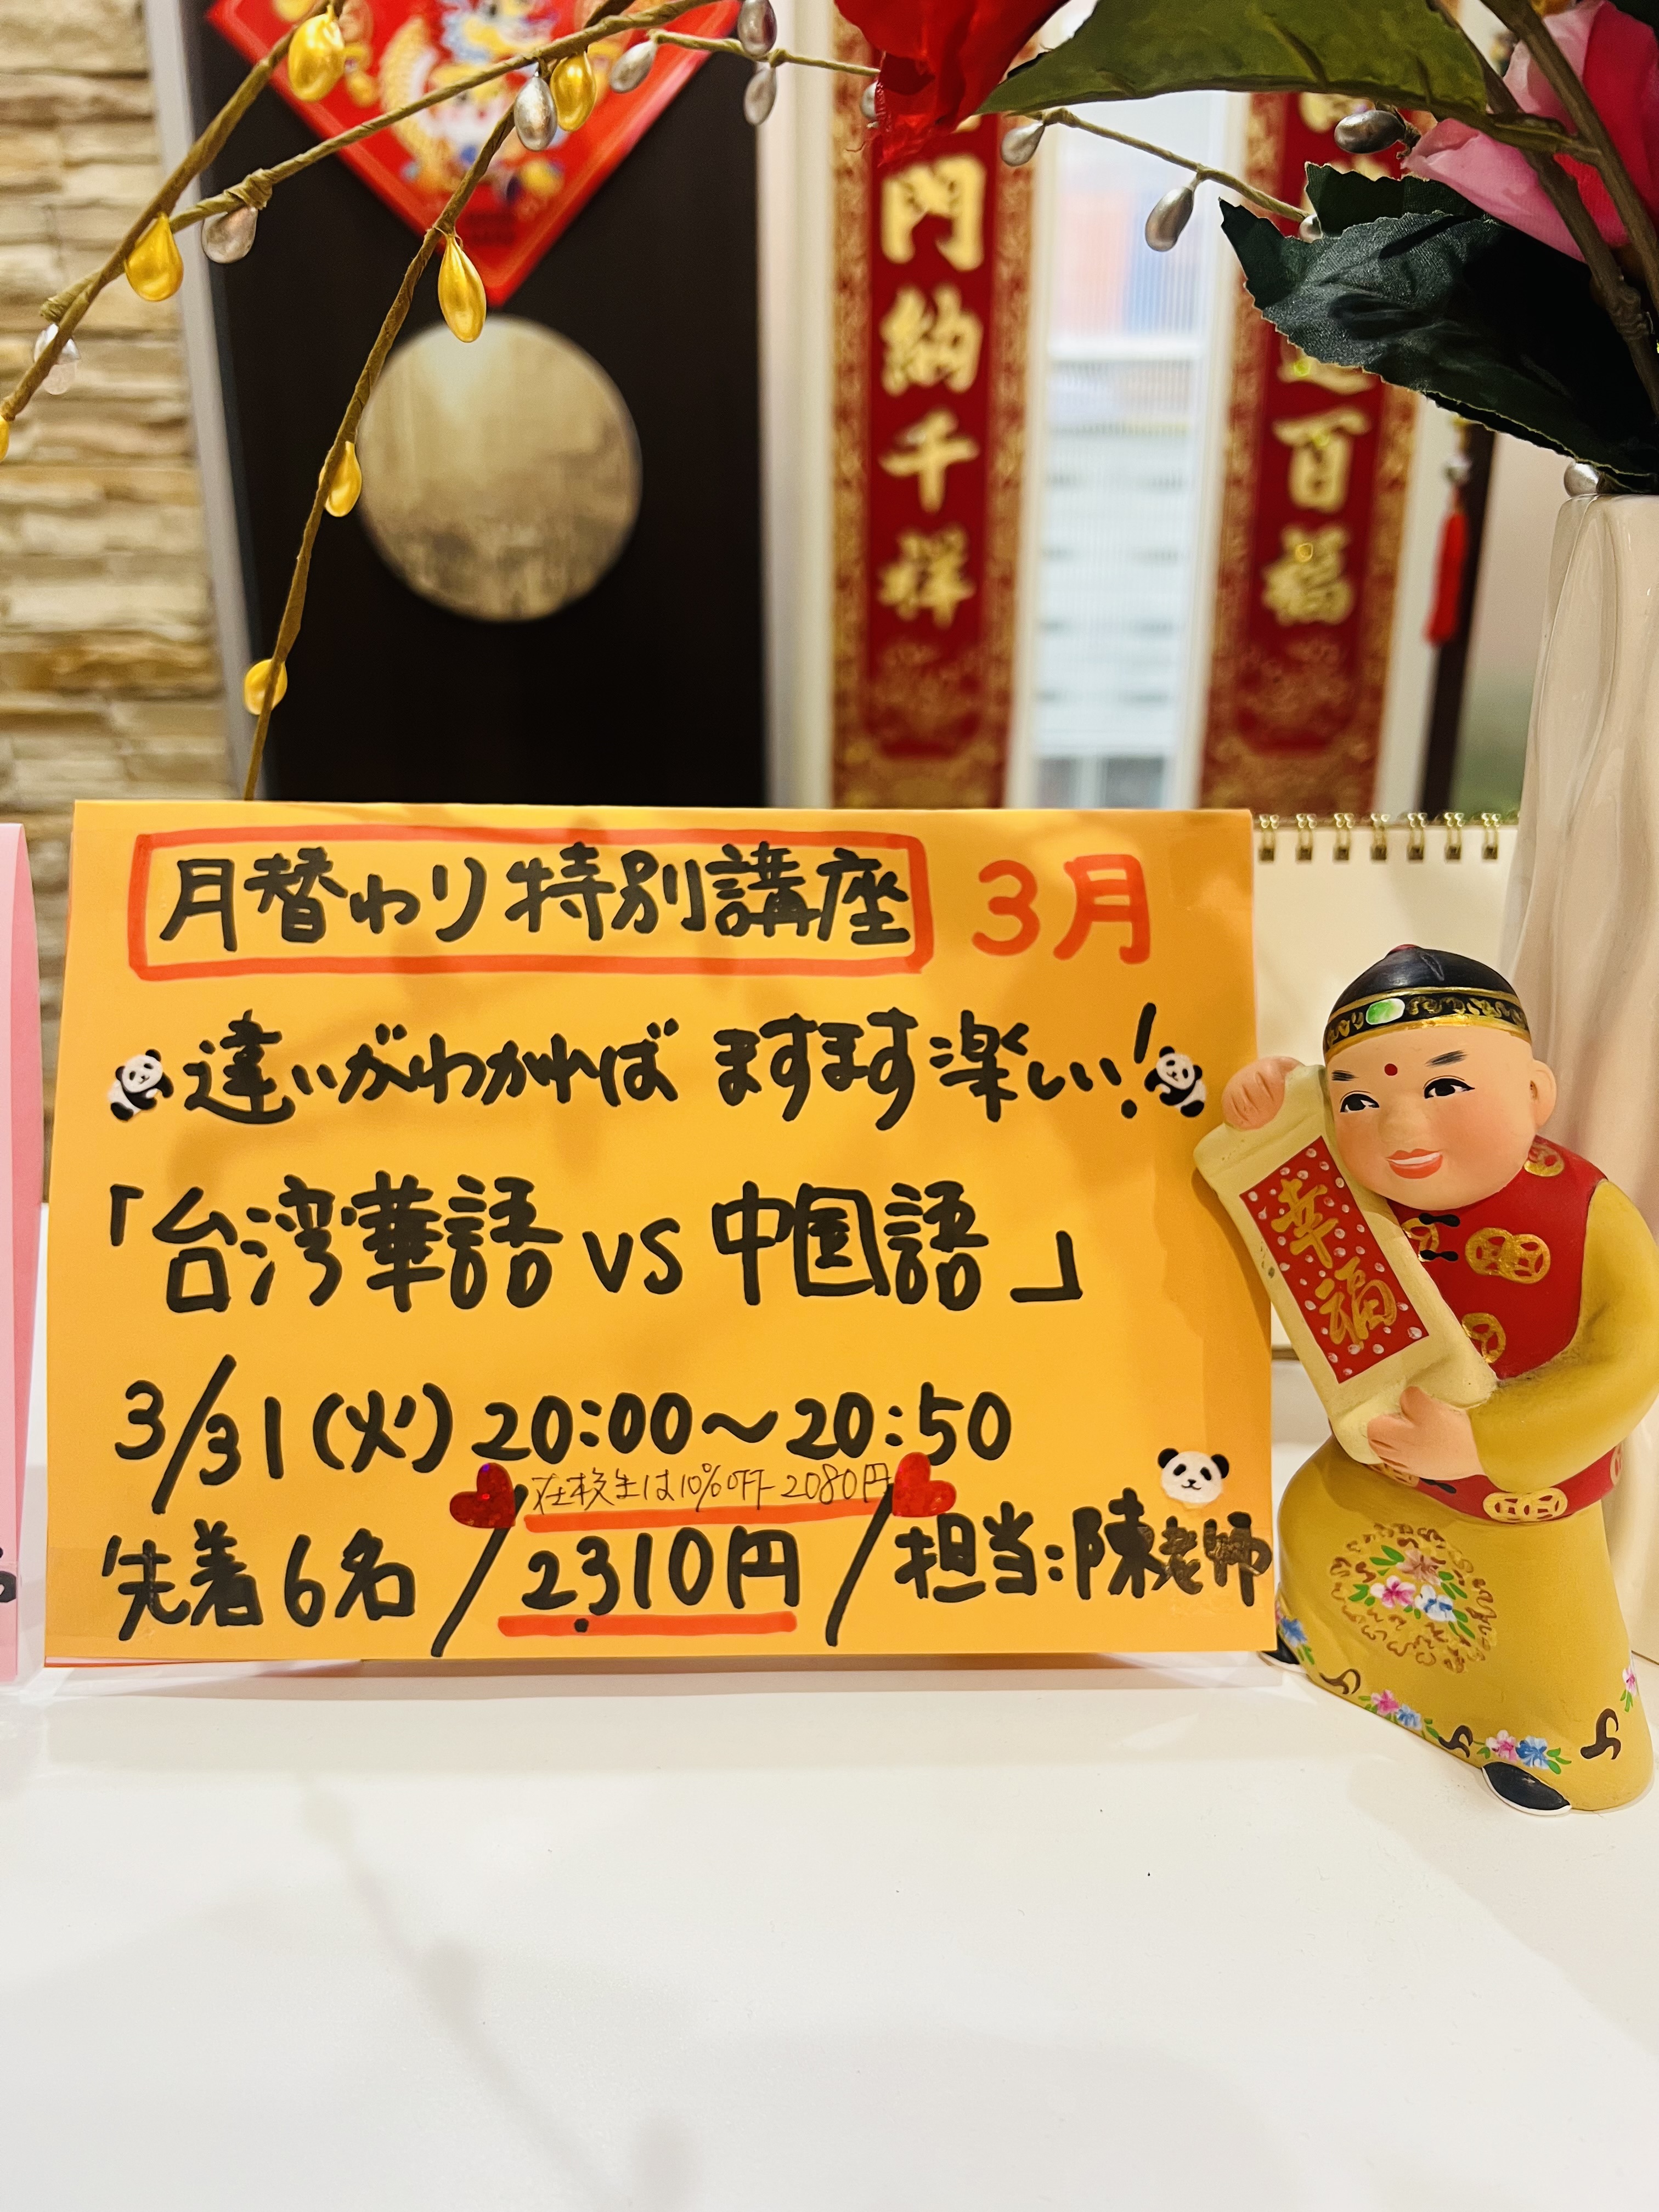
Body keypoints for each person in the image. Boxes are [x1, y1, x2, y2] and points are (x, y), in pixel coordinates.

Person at [1223, 945, 1657, 1814]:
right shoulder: (1353, 1185)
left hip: (1516, 1493)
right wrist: (1271, 1101)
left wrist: (1483, 1439)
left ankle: (1561, 1746)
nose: (1401, 1130)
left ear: (1533, 1093)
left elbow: (1632, 1353)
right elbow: (1274, 1166)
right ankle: (1327, 1648)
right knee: (1314, 1519)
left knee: (1549, 1635)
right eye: (1358, 1101)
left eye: (1445, 1087)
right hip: (1382, 1460)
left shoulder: (1586, 1210)